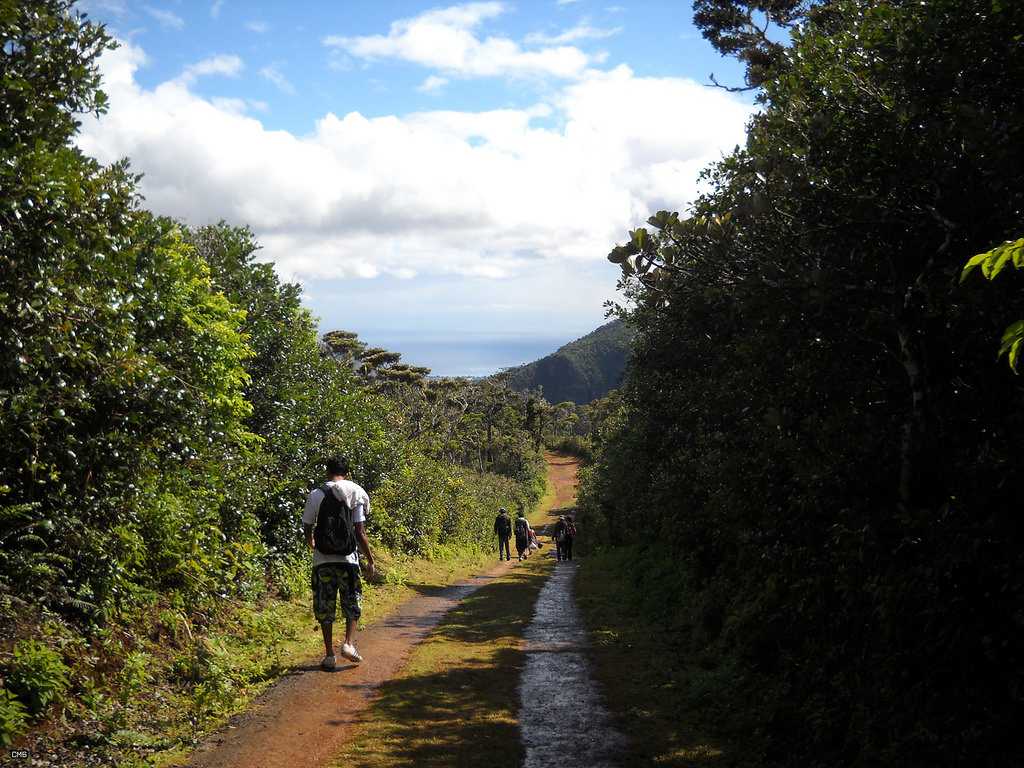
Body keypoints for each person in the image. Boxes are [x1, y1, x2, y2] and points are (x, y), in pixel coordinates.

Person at [302, 455, 375, 671]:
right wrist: (370, 559)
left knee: (325, 605)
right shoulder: (356, 491)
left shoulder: (316, 494)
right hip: (348, 561)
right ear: (347, 472)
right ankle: (349, 645)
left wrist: (311, 542)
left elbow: (307, 524)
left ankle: (329, 655)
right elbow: (359, 531)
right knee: (352, 601)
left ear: (327, 472)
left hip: (322, 560)